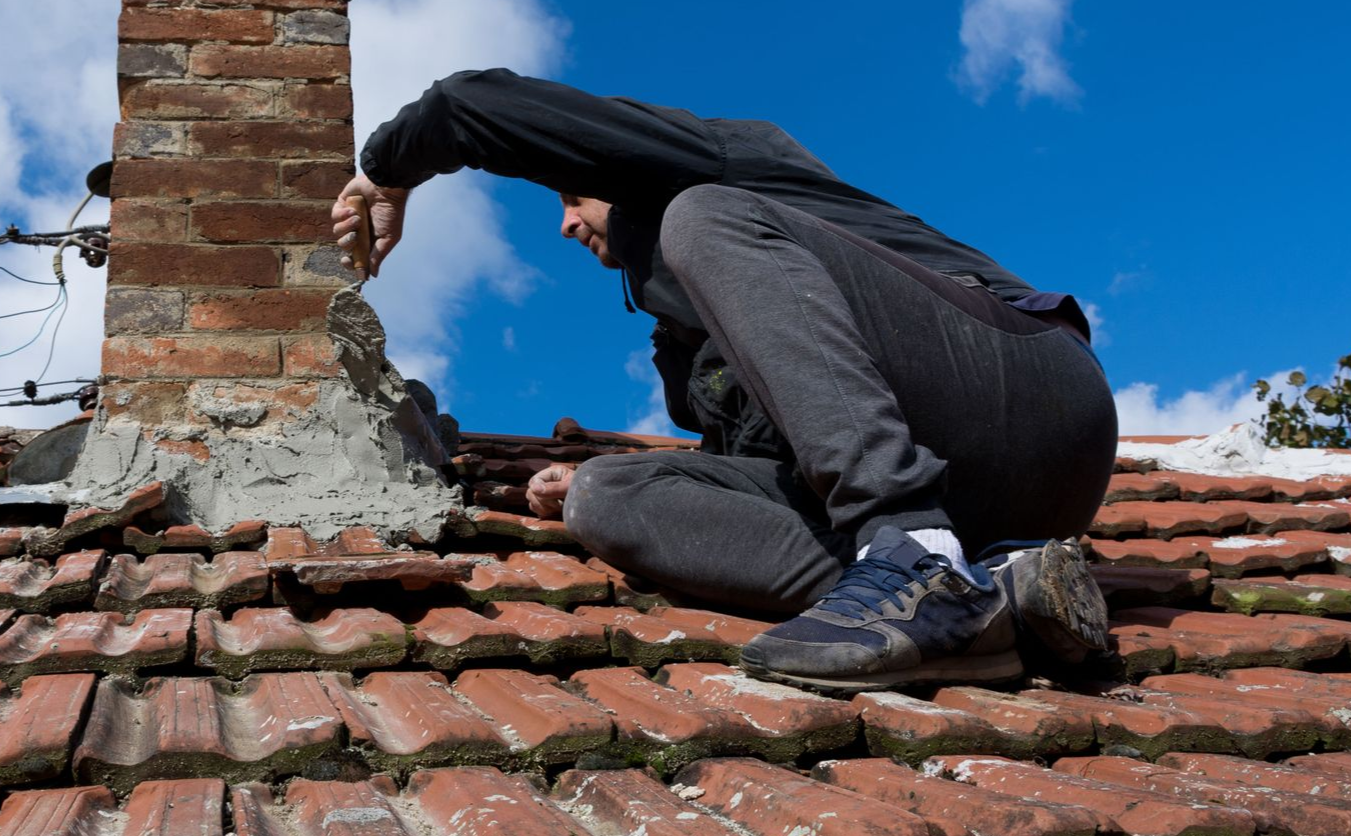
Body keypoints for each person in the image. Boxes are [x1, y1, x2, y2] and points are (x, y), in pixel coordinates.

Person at [331, 69, 1116, 696]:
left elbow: (468, 107)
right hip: (992, 515)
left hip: (1031, 394)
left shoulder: (731, 163)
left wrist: (385, 172)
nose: (566, 225)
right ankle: (993, 605)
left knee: (703, 217)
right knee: (604, 495)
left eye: (572, 196)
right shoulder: (689, 334)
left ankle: (915, 553)